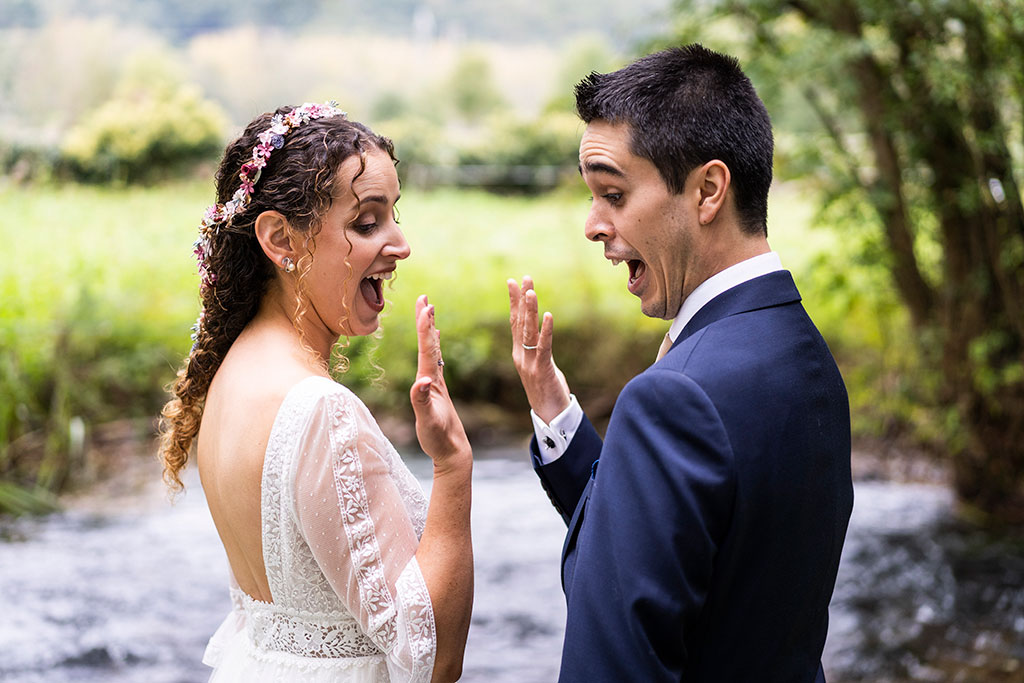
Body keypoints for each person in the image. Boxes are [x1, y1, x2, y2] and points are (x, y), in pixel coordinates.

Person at [508, 45, 854, 682]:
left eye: (612, 193)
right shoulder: (805, 355)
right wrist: (555, 412)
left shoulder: (676, 394)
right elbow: (703, 559)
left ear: (708, 190)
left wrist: (669, 382)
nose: (592, 224)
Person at [158, 102, 473, 683]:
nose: (401, 245)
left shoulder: (230, 376)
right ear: (281, 238)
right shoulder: (318, 408)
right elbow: (433, 661)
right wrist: (453, 467)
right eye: (366, 222)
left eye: (393, 215)